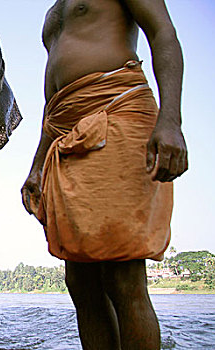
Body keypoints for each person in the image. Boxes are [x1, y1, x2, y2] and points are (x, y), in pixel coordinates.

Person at [21, 1, 187, 349]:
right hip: (64, 131)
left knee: (122, 275)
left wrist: (171, 120)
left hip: (117, 110)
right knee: (80, 280)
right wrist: (38, 164)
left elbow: (162, 32)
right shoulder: (55, 9)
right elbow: (54, 96)